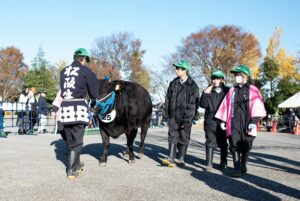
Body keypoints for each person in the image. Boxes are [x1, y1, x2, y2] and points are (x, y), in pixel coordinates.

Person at [215, 65, 266, 177]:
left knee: (247, 145)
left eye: (239, 74)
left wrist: (253, 121)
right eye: (236, 75)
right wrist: (223, 120)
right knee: (234, 144)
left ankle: (243, 163)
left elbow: (257, 105)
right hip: (233, 122)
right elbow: (225, 105)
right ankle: (237, 168)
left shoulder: (253, 90)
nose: (237, 77)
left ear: (245, 76)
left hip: (248, 122)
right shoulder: (232, 90)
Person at [59, 48, 99, 179]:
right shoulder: (86, 72)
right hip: (78, 107)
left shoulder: (63, 71)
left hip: (65, 106)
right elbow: (94, 94)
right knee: (78, 140)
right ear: (84, 59)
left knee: (70, 140)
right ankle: (71, 170)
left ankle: (77, 164)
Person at [163, 60, 200, 167]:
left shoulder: (193, 86)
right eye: (176, 68)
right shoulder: (173, 83)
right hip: (173, 115)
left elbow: (194, 104)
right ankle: (171, 158)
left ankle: (181, 158)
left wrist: (187, 119)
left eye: (179, 68)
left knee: (184, 136)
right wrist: (167, 114)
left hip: (186, 117)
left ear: (185, 70)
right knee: (172, 135)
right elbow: (168, 100)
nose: (176, 70)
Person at [199, 70, 229, 172]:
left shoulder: (228, 91)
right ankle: (209, 163)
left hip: (222, 121)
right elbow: (203, 105)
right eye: (213, 79)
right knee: (210, 141)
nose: (215, 81)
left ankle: (223, 162)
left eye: (217, 78)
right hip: (210, 120)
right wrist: (205, 94)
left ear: (222, 80)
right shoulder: (208, 91)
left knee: (223, 143)